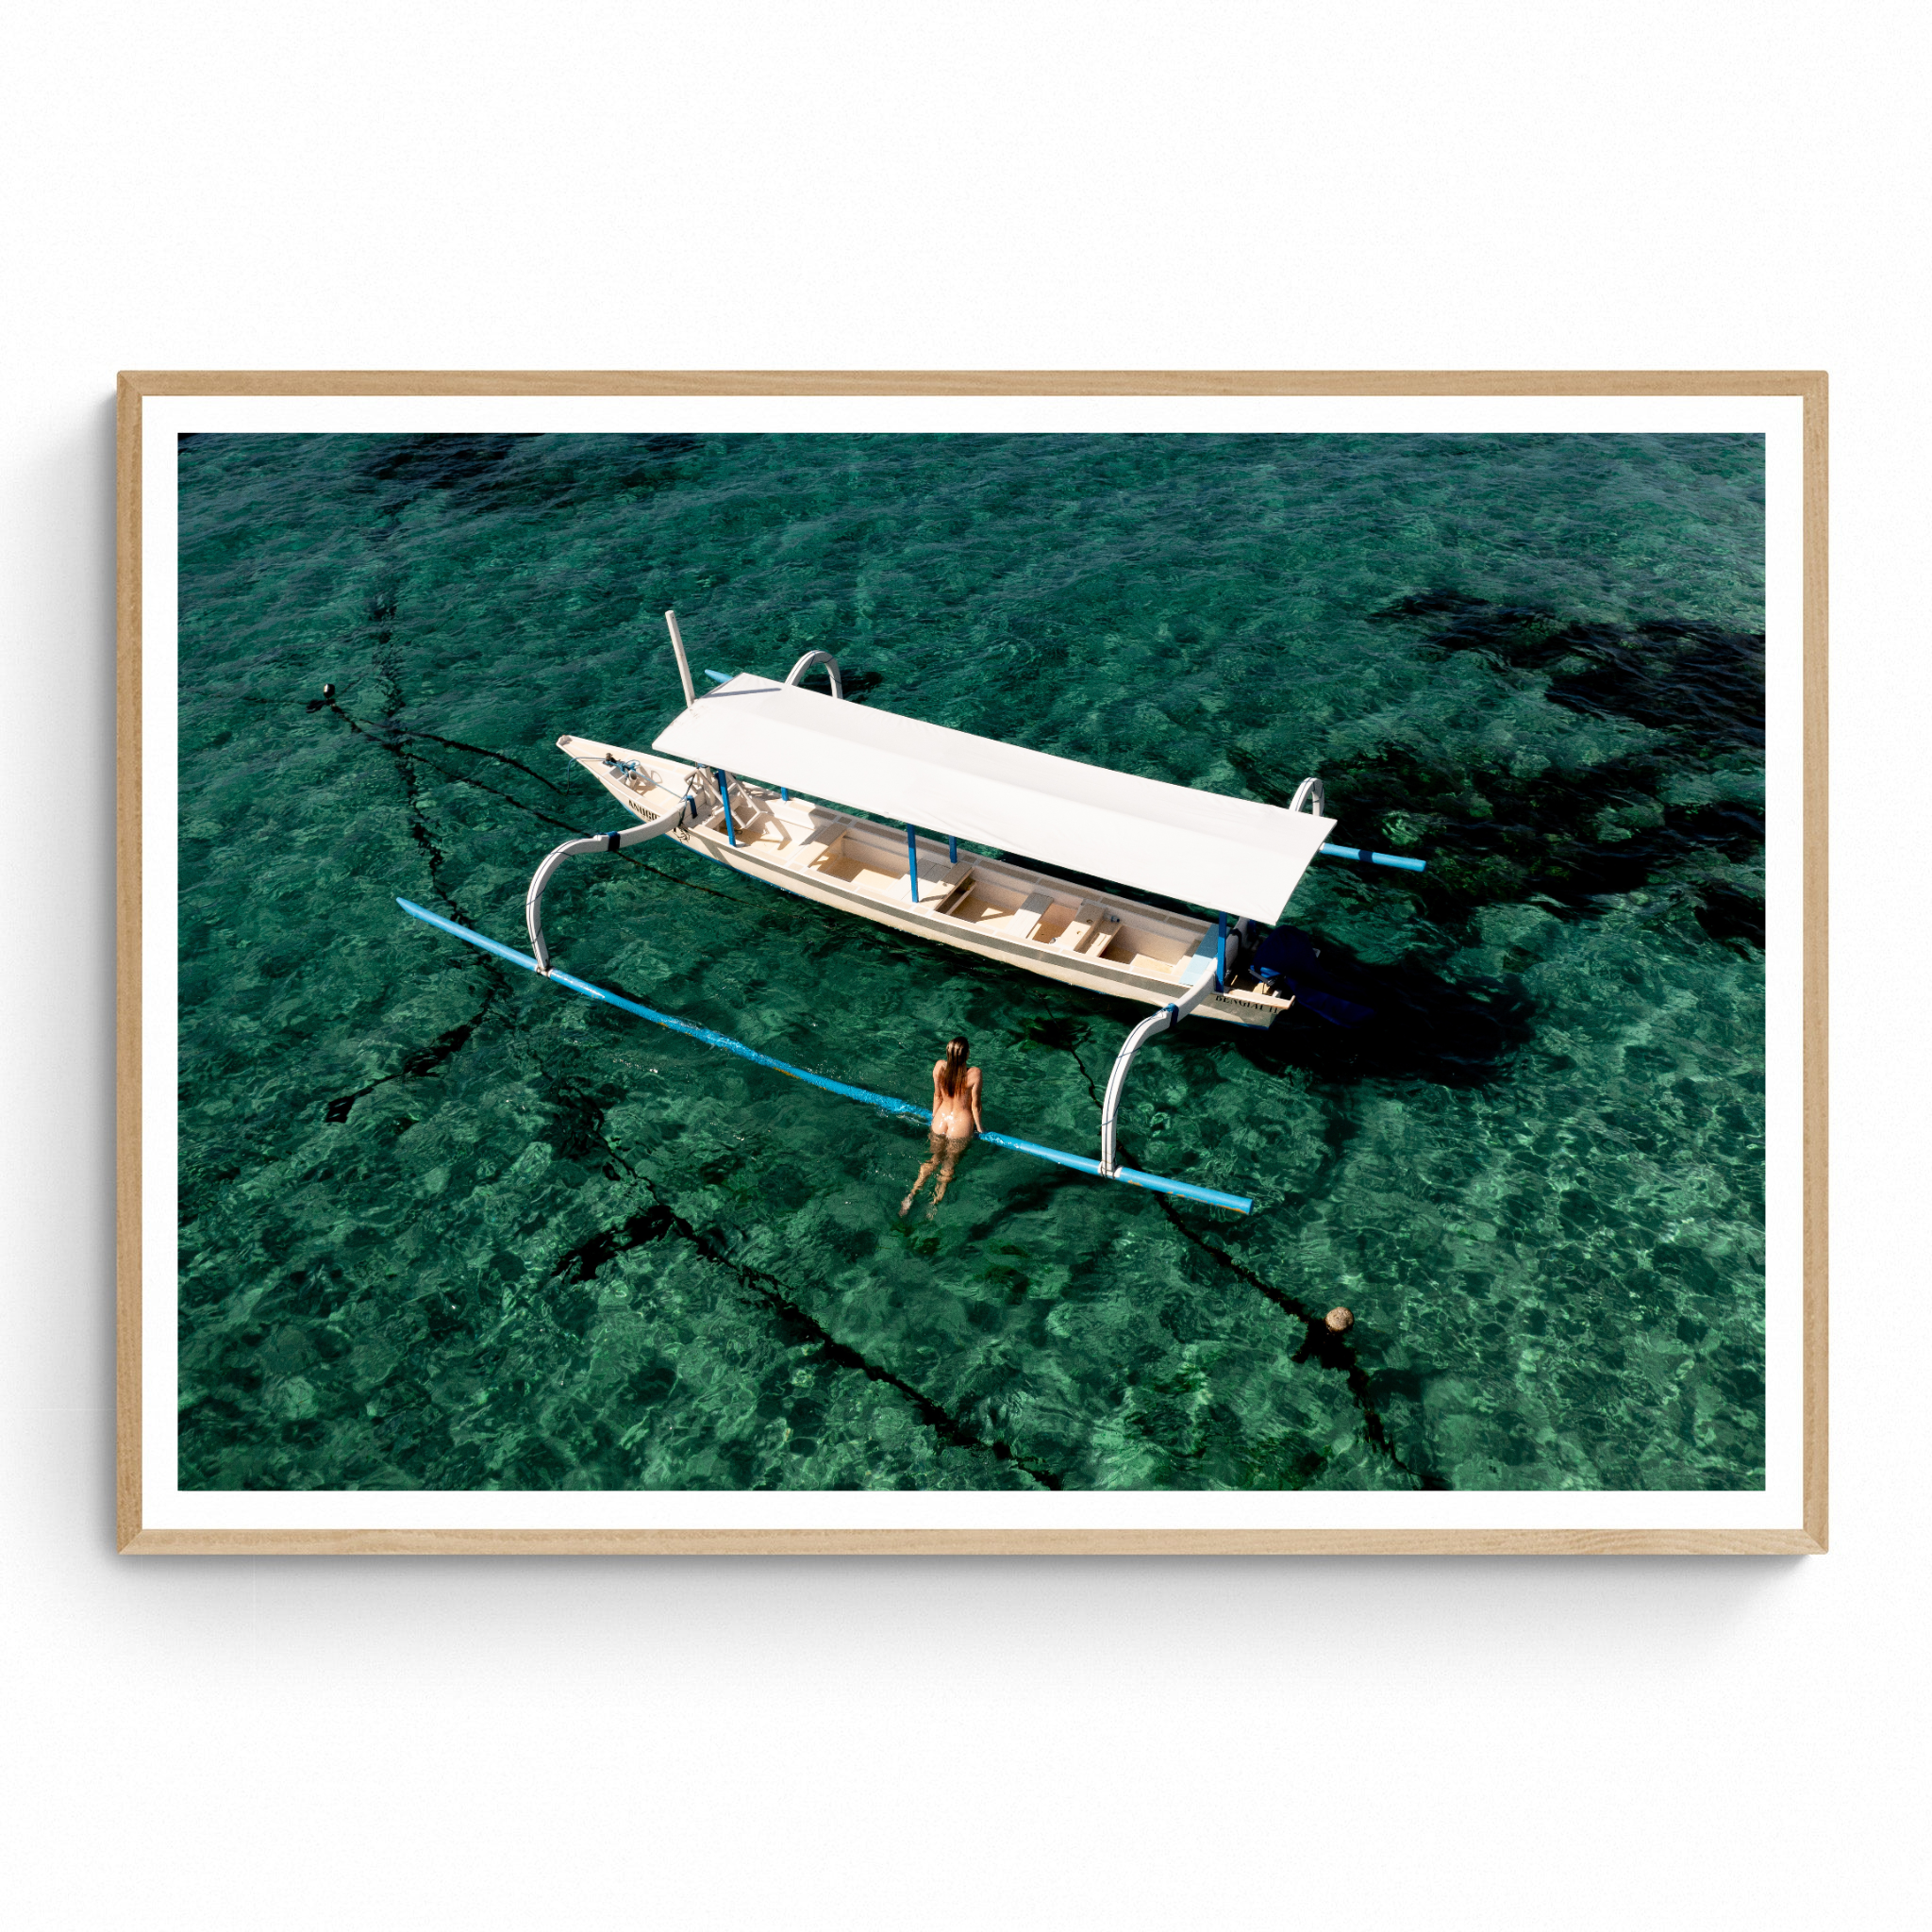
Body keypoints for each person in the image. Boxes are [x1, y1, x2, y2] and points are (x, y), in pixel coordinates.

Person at [900, 1036, 983, 1214]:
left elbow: (937, 1096)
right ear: (967, 1054)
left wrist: (934, 1119)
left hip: (940, 1120)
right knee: (948, 1166)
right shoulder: (975, 1074)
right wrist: (980, 1129)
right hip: (959, 1125)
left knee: (932, 1159)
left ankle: (911, 1194)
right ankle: (933, 1204)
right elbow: (975, 1106)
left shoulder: (939, 1067)